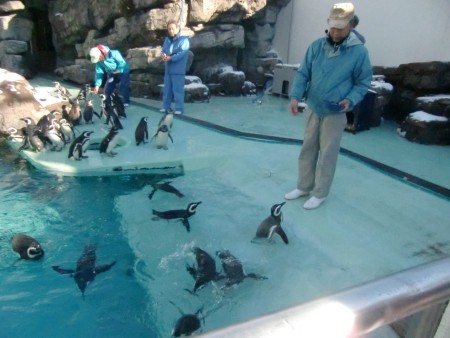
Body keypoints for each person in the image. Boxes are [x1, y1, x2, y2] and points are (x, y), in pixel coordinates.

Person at [284, 2, 372, 210]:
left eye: (340, 27)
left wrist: (350, 99)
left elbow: (363, 82)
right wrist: (295, 97)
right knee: (308, 148)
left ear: (351, 25)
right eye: (332, 26)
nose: (334, 31)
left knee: (328, 153)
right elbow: (303, 73)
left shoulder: (359, 53)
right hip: (313, 107)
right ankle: (304, 186)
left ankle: (320, 193)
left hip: (335, 112)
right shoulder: (317, 46)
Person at [161, 20, 190, 115]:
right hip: (168, 69)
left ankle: (179, 108)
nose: (171, 30)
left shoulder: (184, 40)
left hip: (178, 69)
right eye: (169, 29)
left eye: (173, 28)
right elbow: (164, 50)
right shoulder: (167, 40)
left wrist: (171, 57)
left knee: (178, 90)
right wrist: (163, 55)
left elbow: (182, 53)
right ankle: (165, 107)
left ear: (177, 29)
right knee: (167, 89)